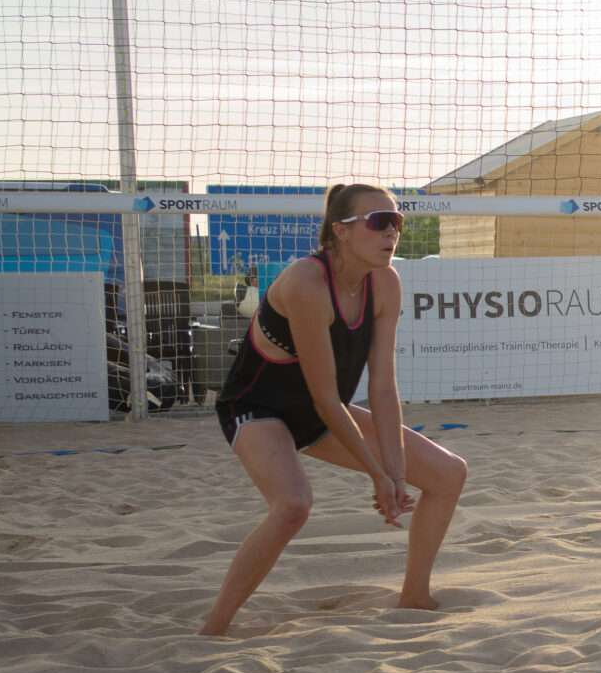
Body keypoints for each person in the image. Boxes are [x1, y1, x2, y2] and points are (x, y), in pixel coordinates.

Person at [199, 181, 470, 636]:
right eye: (380, 222)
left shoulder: (385, 282)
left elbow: (383, 387)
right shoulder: (307, 281)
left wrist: (398, 472)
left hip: (321, 410)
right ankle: (215, 627)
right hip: (259, 408)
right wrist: (378, 475)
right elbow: (325, 396)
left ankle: (415, 597)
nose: (392, 233)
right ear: (340, 231)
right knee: (293, 505)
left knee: (448, 473)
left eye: (397, 222)